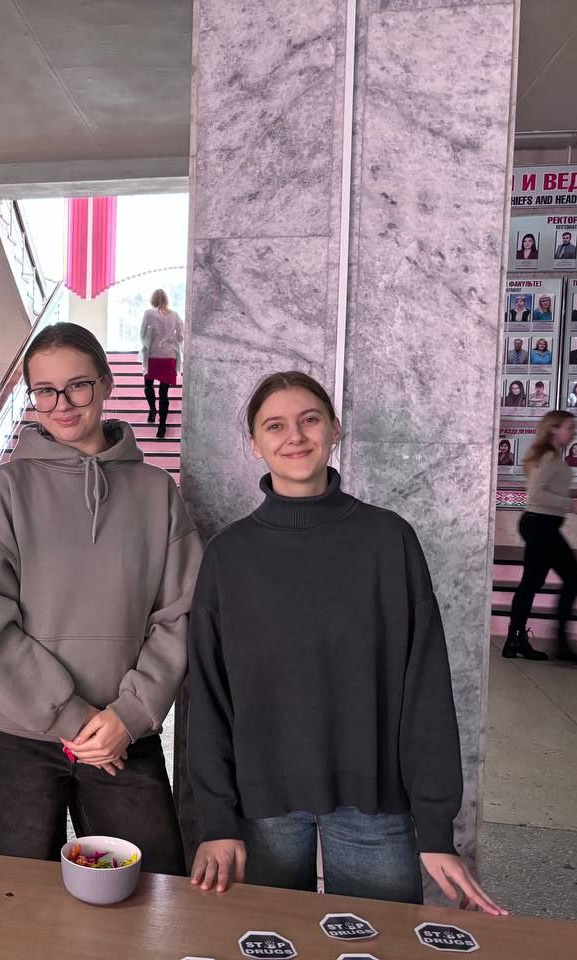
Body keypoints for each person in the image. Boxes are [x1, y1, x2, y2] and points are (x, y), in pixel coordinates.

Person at [185, 371, 506, 915]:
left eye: (309, 420)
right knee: (265, 946)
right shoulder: (228, 556)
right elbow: (209, 697)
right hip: (260, 809)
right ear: (254, 443)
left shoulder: (388, 540)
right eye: (275, 425)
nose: (295, 436)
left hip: (374, 804)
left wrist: (434, 829)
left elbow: (425, 690)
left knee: (377, 945)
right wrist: (217, 820)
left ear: (335, 429)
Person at [0, 322, 201, 879]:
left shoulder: (157, 493)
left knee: (151, 893)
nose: (62, 404)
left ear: (106, 382)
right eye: (45, 391)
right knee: (13, 900)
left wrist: (129, 715)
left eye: (77, 386)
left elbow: (179, 613)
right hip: (14, 737)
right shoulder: (4, 491)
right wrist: (71, 715)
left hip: (123, 732)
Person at [506, 411, 577, 666]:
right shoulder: (548, 456)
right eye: (570, 427)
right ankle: (560, 644)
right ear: (554, 428)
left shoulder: (551, 455)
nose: (574, 431)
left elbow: (547, 489)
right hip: (540, 526)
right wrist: (571, 504)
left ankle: (515, 640)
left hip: (539, 525)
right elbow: (535, 494)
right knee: (573, 579)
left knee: (531, 582)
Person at [138, 289, 184, 439]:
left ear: (153, 300)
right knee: (164, 393)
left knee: (148, 385)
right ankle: (162, 427)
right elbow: (181, 335)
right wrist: (171, 341)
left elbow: (142, 334)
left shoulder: (148, 313)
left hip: (153, 354)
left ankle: (152, 410)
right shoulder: (175, 315)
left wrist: (148, 343)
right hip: (169, 356)